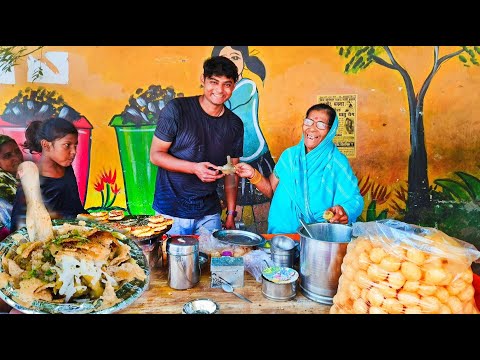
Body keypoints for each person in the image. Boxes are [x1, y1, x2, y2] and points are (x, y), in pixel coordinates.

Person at [149, 56, 244, 235]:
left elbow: (231, 173)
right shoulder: (177, 109)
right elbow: (156, 154)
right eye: (213, 82)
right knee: (171, 262)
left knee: (210, 260)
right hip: (171, 211)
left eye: (227, 84)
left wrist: (231, 213)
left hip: (209, 213)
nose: (219, 90)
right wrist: (194, 168)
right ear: (203, 79)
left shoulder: (235, 124)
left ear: (233, 86)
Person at [235, 103, 364, 234]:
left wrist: (344, 210)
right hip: (282, 235)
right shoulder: (289, 156)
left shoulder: (337, 162)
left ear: (330, 131)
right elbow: (271, 190)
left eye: (320, 125)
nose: (312, 129)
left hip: (320, 238)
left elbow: (354, 199)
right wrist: (252, 174)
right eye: (309, 122)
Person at [211, 46, 275, 207]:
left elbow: (221, 108)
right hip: (229, 157)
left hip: (253, 154)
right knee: (229, 201)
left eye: (235, 57)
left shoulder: (247, 86)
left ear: (244, 61)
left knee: (257, 203)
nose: (229, 64)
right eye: (223, 59)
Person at [10, 117, 86, 232]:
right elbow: (18, 228)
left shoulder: (67, 169)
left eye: (75, 145)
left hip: (78, 234)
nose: (74, 151)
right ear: (46, 145)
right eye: (67, 145)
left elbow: (76, 209)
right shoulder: (31, 181)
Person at [0, 134, 24, 241]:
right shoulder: (3, 183)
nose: (16, 157)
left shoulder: (18, 176)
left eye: (17, 151)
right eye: (8, 156)